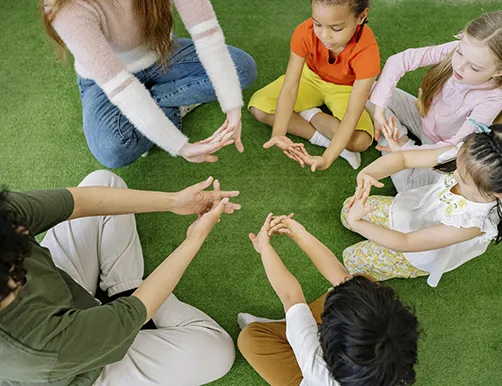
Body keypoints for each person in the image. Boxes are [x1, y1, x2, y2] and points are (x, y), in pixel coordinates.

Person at [0, 170, 240, 385]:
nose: (24, 231)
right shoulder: (35, 350)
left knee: (105, 182)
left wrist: (174, 201)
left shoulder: (4, 220)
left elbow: (79, 201)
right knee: (218, 351)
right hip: (79, 369)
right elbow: (131, 312)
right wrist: (194, 239)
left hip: (65, 294)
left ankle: (124, 287)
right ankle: (131, 291)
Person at [40, 0, 257, 168]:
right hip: (106, 81)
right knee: (112, 149)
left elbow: (207, 34)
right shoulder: (64, 7)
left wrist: (232, 107)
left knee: (242, 69)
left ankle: (151, 113)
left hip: (162, 55)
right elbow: (121, 88)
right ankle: (173, 105)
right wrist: (179, 146)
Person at [238, 213, 419, 385]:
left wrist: (264, 248)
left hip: (306, 374)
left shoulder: (315, 365)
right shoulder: (393, 367)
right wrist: (300, 234)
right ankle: (295, 322)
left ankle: (292, 324)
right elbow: (342, 279)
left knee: (249, 339)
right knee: (361, 284)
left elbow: (290, 295)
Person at [341, 124, 502, 287]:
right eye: (457, 166)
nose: (453, 173)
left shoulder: (474, 223)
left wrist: (357, 222)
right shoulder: (471, 155)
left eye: (463, 178)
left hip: (416, 252)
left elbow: (406, 242)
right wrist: (367, 174)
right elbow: (404, 159)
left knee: (351, 259)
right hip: (412, 209)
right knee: (348, 209)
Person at [367, 10, 502, 192]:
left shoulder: (494, 99)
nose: (459, 66)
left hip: (441, 147)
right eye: (460, 53)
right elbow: (400, 60)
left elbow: (454, 146)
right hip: (422, 116)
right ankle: (393, 136)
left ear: (498, 71)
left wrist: (404, 152)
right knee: (368, 90)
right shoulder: (462, 50)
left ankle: (395, 139)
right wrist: (380, 110)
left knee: (407, 187)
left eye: (474, 68)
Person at [249, 0, 380, 171]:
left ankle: (309, 113)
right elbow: (290, 86)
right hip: (309, 78)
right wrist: (279, 133)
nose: (324, 36)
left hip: (346, 88)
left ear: (361, 17)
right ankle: (322, 138)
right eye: (317, 24)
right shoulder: (305, 32)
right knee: (259, 108)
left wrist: (326, 159)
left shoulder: (367, 52)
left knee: (360, 141)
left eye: (336, 28)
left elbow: (351, 116)